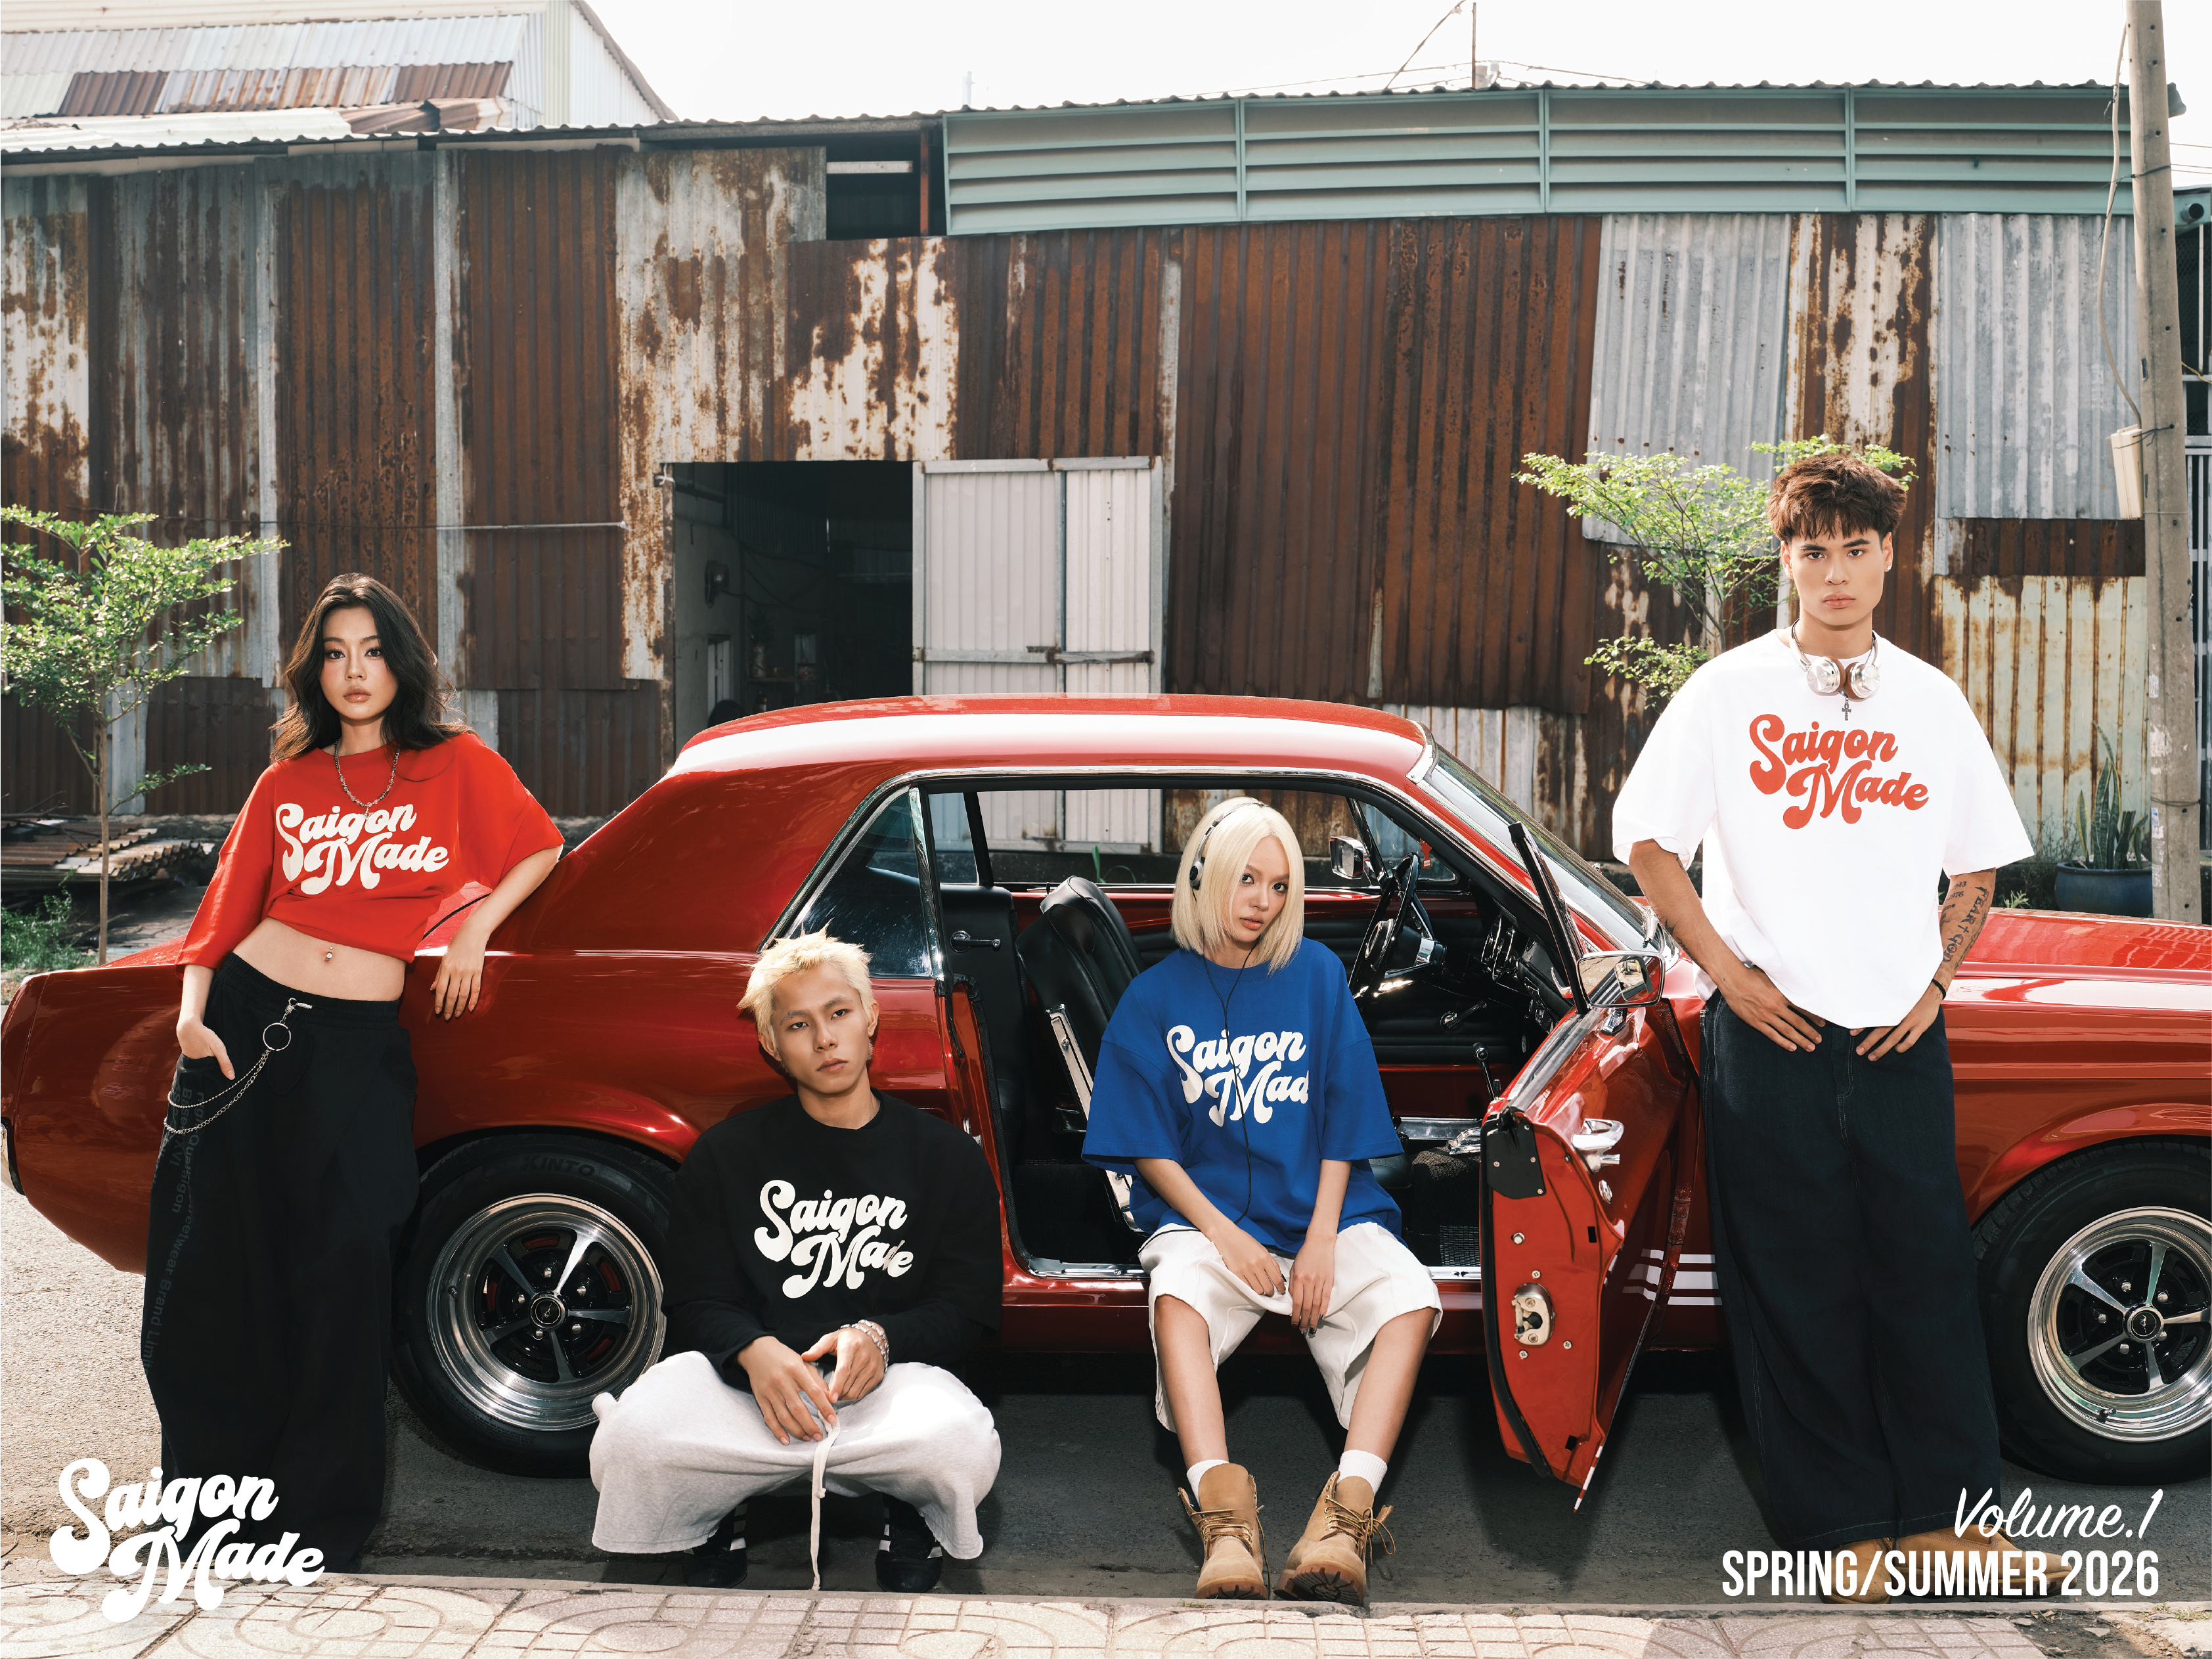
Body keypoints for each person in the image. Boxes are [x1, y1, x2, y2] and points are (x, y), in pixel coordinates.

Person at [1615, 451, 2034, 1602]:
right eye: (1812, 551)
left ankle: (1950, 1520)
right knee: (1792, 1279)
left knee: (1924, 1269)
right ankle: (1841, 1526)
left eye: (1856, 548)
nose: (1835, 572)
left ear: (1888, 555)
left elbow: (1975, 866)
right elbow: (1646, 841)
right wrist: (1725, 974)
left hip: (1899, 1033)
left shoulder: (1928, 700)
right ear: (1784, 560)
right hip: (1770, 1032)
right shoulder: (1724, 692)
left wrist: (1934, 988)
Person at [157, 573, 565, 1572]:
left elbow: (540, 845)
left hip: (358, 1041)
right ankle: (214, 1521)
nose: (353, 671)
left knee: (345, 1270)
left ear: (401, 662)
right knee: (222, 1278)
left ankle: (315, 1526)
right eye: (334, 653)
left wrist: (471, 930)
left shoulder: (454, 763)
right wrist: (191, 1011)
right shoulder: (286, 781)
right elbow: (228, 902)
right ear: (315, 669)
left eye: (371, 650)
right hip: (246, 1034)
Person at [1081, 798, 1438, 1606]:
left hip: (1323, 1212)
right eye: (1246, 879)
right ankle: (1225, 1527)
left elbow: (1347, 1118)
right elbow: (1148, 1145)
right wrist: (1220, 1234)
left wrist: (1318, 1239)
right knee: (1176, 1295)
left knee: (1412, 1297)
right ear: (1203, 876)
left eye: (1280, 886)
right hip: (1205, 1222)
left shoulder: (1313, 975)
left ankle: (1343, 1519)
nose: (1262, 902)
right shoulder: (1153, 997)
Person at [588, 930, 1002, 1593]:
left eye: (839, 1014)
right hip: (749, 1398)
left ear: (870, 1020)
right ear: (772, 1046)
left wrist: (882, 1337)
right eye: (798, 1025)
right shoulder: (725, 1155)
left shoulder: (945, 1156)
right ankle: (711, 1514)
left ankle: (910, 1510)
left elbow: (968, 1307)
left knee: (959, 1442)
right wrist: (752, 1351)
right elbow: (695, 1302)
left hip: (883, 1397)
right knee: (629, 1438)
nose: (825, 1038)